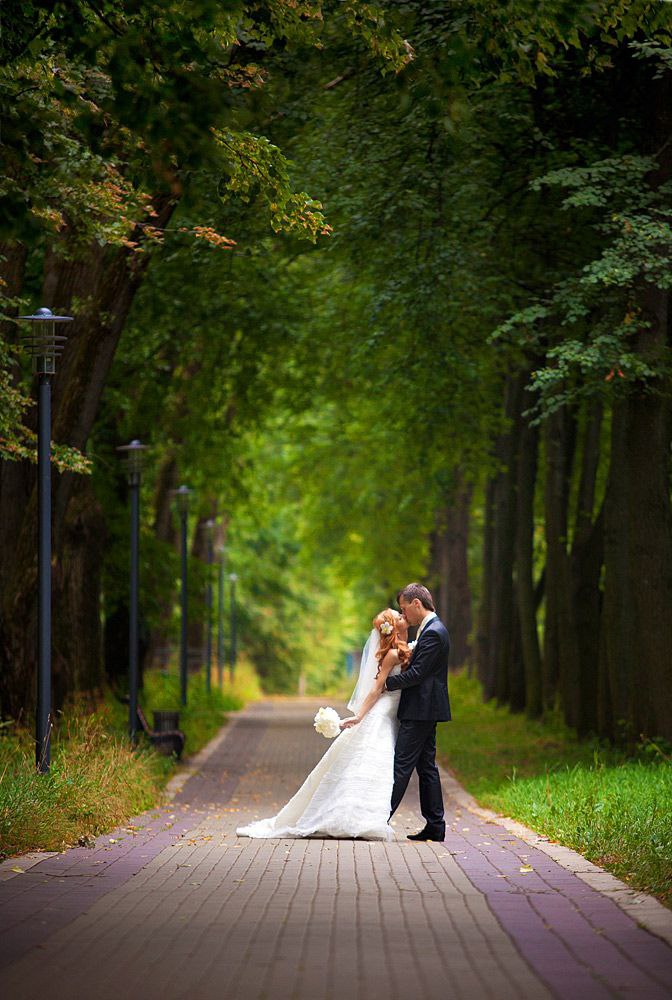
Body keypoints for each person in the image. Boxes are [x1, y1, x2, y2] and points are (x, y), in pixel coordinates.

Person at [236, 609, 410, 841]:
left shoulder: (404, 649)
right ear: (392, 628)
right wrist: (359, 716)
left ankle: (360, 816)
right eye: (398, 617)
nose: (402, 616)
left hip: (391, 711)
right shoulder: (392, 655)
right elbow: (376, 689)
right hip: (383, 712)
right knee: (373, 761)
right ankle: (356, 819)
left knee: (370, 762)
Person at [383, 582, 451, 841]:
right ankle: (435, 825)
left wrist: (386, 684)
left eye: (404, 608)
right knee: (426, 768)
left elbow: (418, 674)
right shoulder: (430, 629)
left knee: (401, 764)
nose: (403, 614)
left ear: (416, 603)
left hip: (421, 709)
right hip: (424, 708)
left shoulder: (434, 632)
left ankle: (378, 818)